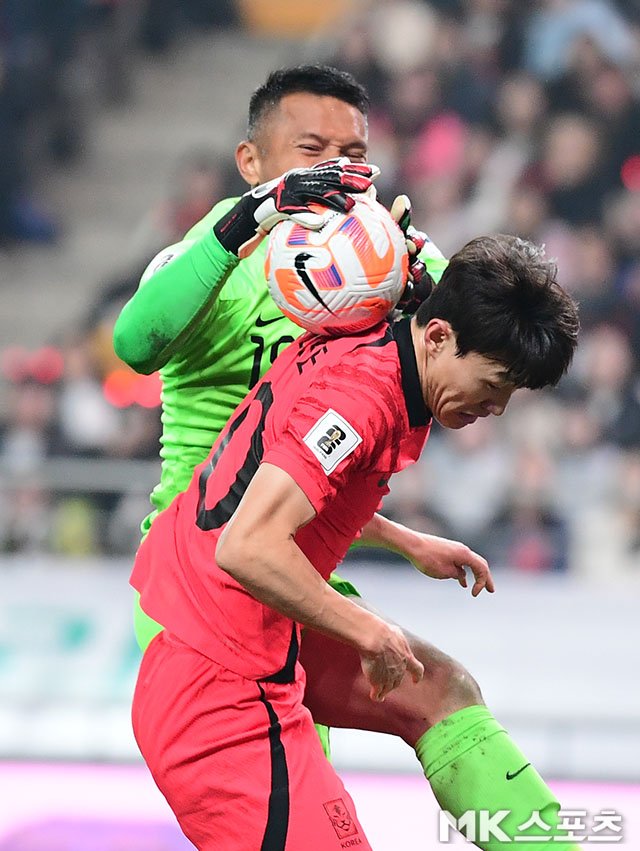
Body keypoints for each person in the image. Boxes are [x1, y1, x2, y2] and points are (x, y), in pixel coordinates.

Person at [115, 66, 581, 849]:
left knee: (442, 692)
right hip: (216, 612)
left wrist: (403, 538)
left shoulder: (352, 297)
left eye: (354, 152)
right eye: (312, 151)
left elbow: (307, 468)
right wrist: (249, 219)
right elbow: (139, 349)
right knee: (319, 787)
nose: (337, 171)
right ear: (254, 162)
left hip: (265, 559)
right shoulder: (220, 267)